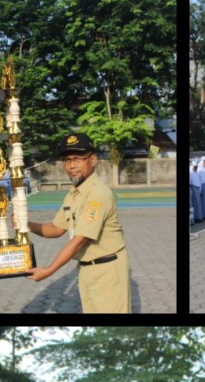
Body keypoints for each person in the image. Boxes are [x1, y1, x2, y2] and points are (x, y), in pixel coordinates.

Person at [23, 133, 131, 313]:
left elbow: (79, 240)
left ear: (93, 160)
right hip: (86, 270)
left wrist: (48, 271)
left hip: (108, 271)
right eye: (67, 160)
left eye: (78, 159)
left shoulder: (97, 194)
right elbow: (57, 228)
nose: (71, 166)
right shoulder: (74, 193)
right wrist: (26, 225)